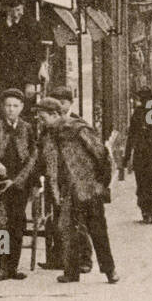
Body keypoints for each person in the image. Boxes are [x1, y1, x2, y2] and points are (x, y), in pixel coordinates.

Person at [33, 97, 119, 284]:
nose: (41, 121)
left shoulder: (78, 129)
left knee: (98, 231)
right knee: (66, 230)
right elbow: (41, 162)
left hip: (89, 189)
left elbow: (101, 154)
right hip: (66, 192)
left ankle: (109, 270)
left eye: (43, 117)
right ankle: (71, 272)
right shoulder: (47, 136)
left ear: (55, 114)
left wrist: (101, 184)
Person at [0, 88, 36, 281]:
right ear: (3, 107)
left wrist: (29, 182)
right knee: (0, 225)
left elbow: (33, 157)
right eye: (8, 105)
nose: (11, 109)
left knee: (17, 224)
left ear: (21, 107)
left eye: (15, 106)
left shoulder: (27, 128)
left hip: (20, 183)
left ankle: (13, 267)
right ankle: (0, 267)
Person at [124, 87, 152, 223]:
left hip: (143, 155)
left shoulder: (139, 112)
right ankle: (149, 210)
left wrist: (127, 156)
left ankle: (146, 210)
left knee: (143, 183)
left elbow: (132, 136)